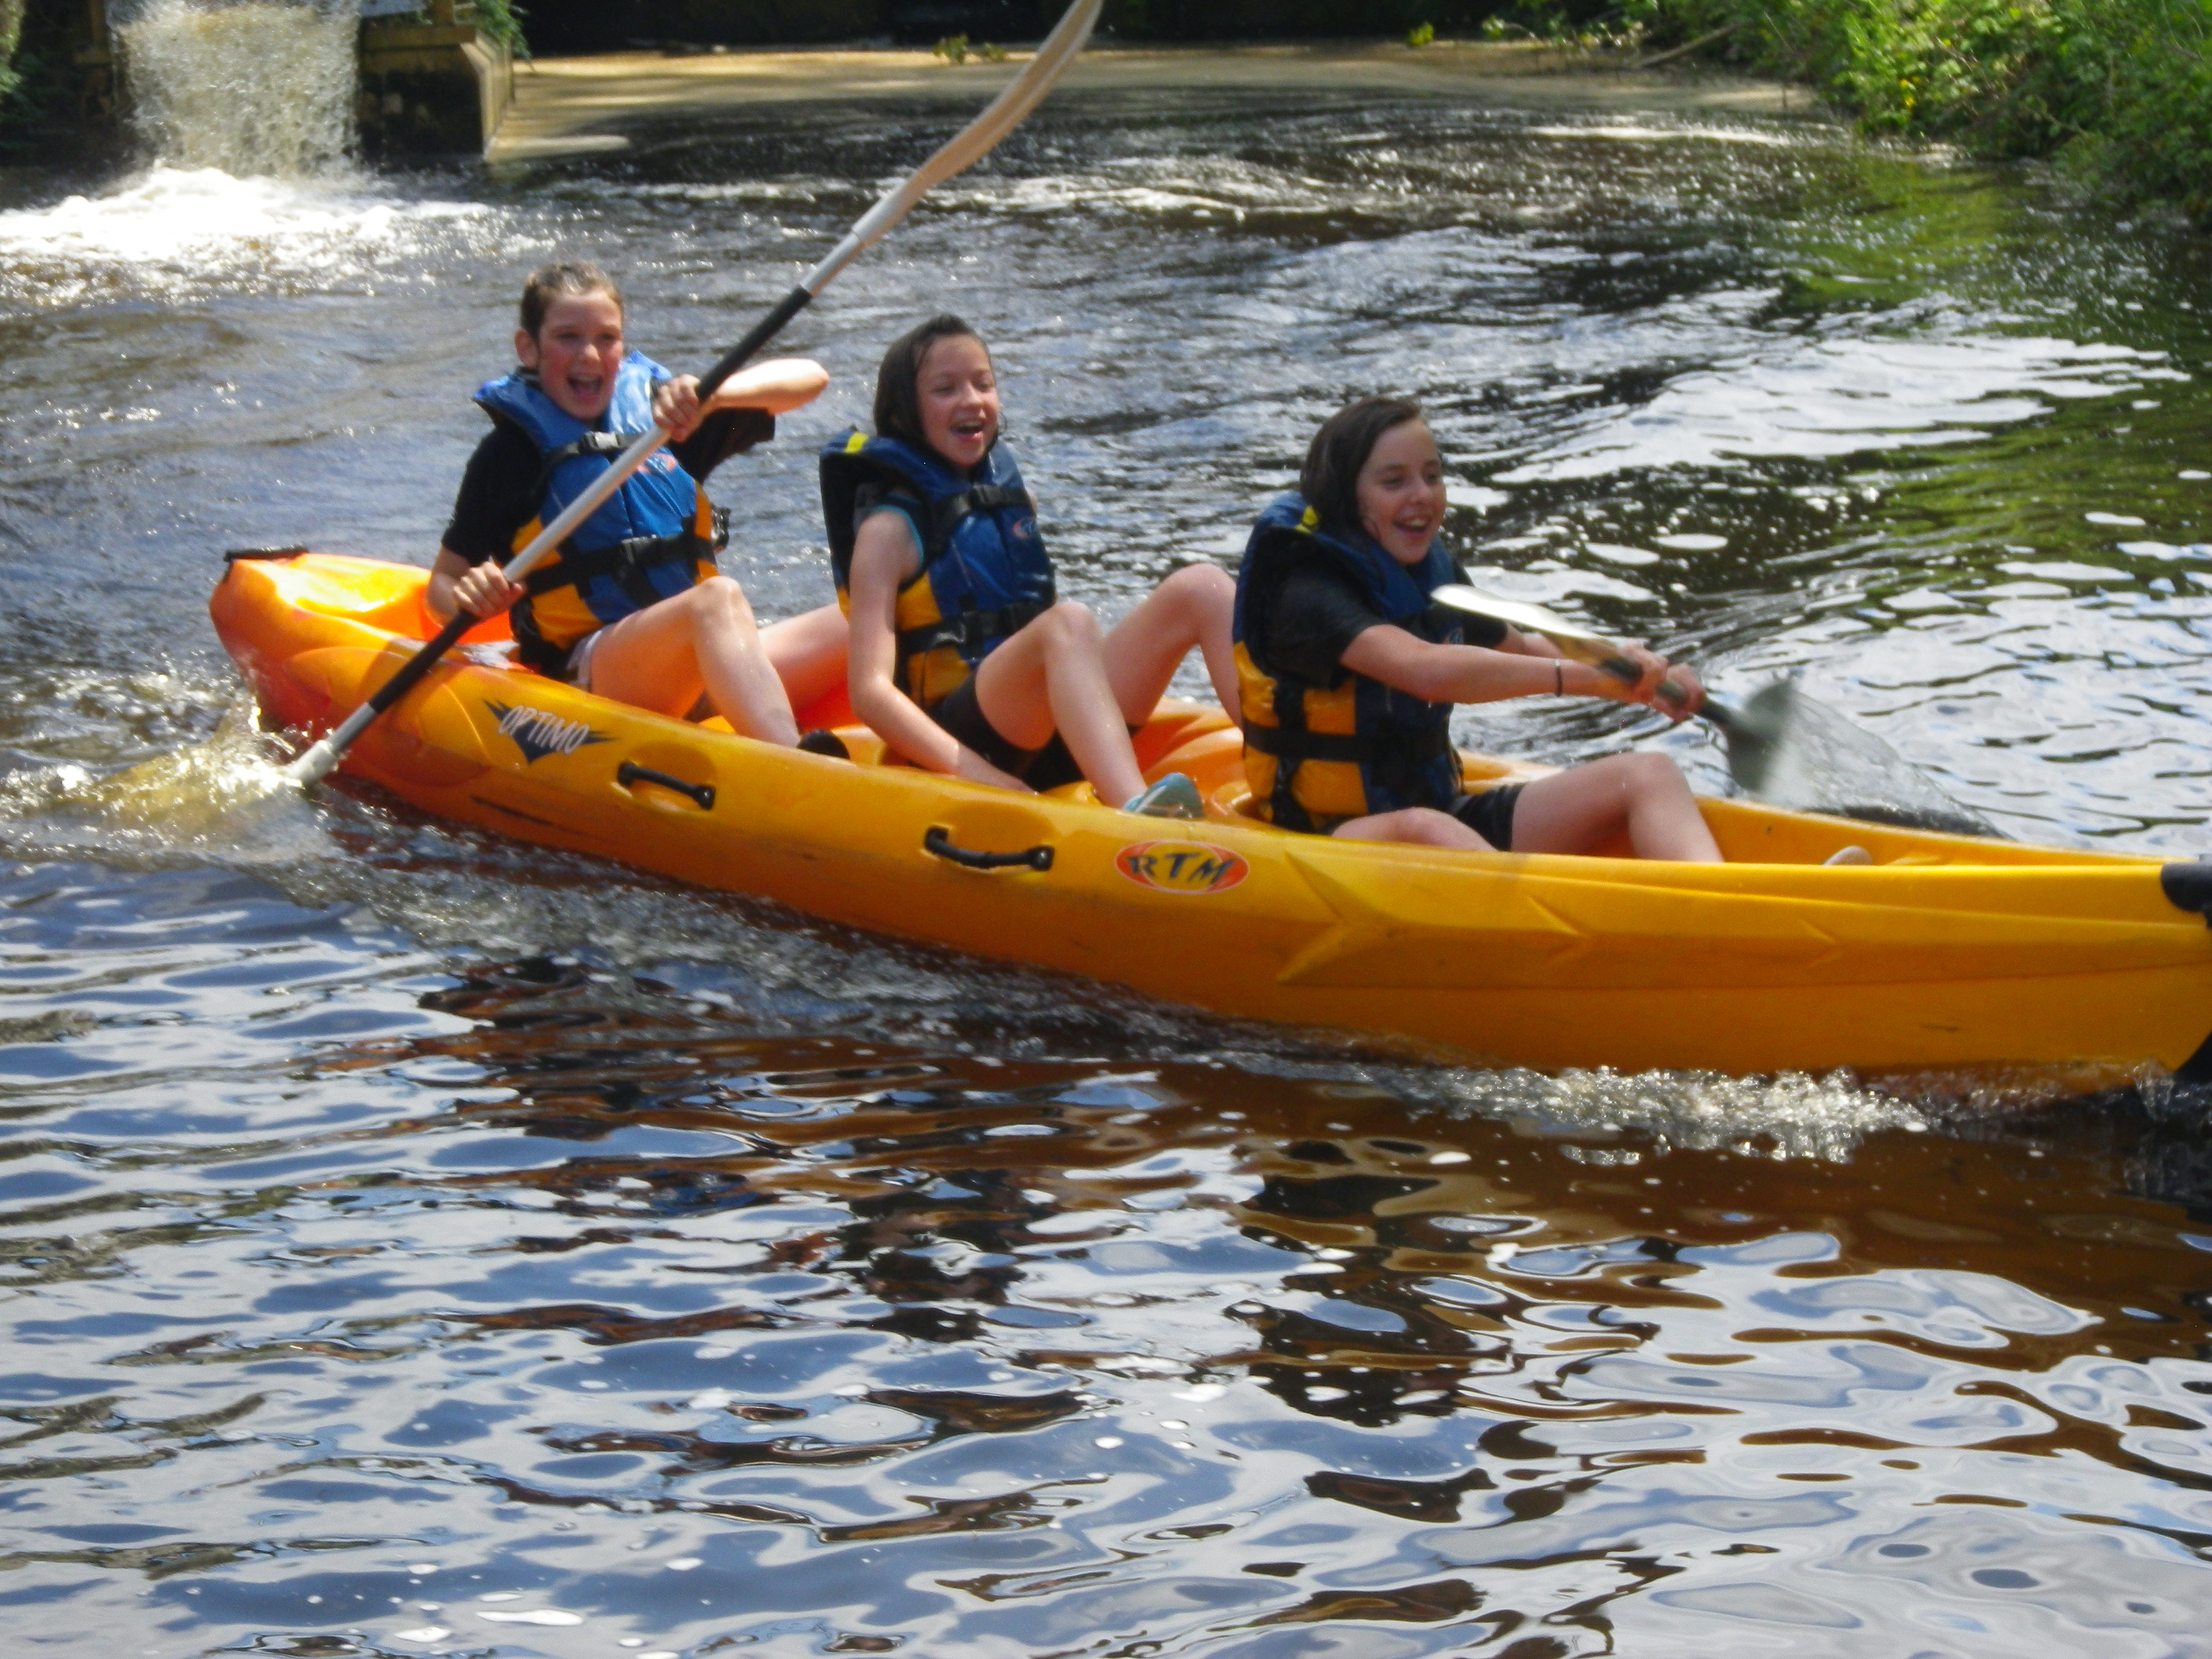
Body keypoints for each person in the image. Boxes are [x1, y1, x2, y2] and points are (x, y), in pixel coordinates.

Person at [1233, 396, 1724, 861]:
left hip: (1439, 811)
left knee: (1649, 774)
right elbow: (1425, 670)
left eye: (1432, 476)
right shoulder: (1305, 585)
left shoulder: (1428, 572)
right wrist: (1588, 679)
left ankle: (1722, 906)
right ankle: (1538, 915)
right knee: (1428, 830)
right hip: (1322, 835)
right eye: (1394, 482)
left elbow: (1521, 647)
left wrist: (1636, 671)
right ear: (1346, 497)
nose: (1422, 495)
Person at [821, 313, 1237, 817]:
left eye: (983, 384)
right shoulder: (887, 534)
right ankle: (1135, 812)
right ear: (904, 411)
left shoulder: (1014, 502)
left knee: (1202, 587)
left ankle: (1287, 764)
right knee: (1069, 622)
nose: (972, 400)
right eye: (945, 389)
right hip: (966, 740)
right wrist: (975, 772)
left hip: (1049, 729)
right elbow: (869, 693)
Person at [428, 260, 847, 743]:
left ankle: (913, 752)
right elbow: (443, 583)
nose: (589, 354)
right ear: (529, 348)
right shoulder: (507, 456)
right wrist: (467, 598)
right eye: (568, 337)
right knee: (717, 598)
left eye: (607, 338)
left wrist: (714, 397)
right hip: (593, 674)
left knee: (867, 614)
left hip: (696, 660)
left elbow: (811, 379)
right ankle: (792, 758)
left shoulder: (666, 422)